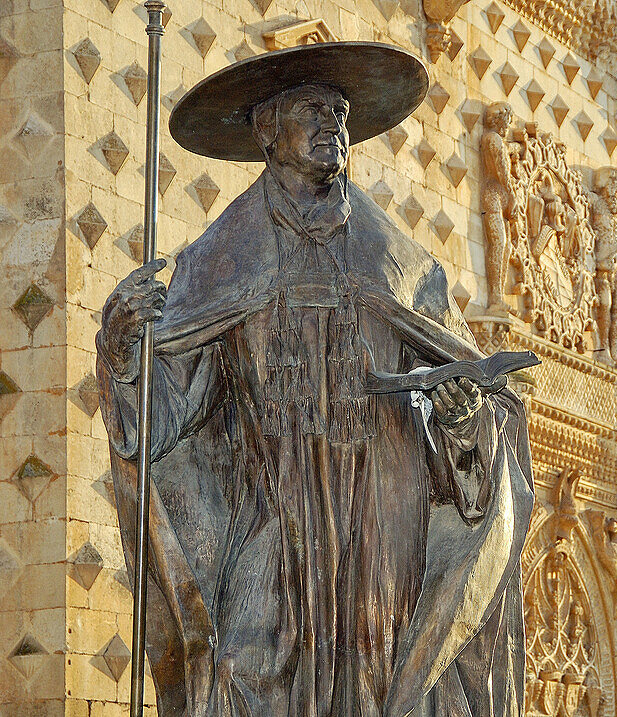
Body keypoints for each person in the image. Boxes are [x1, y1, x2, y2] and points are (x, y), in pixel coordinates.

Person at [97, 42, 533, 717]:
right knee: (240, 668)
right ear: (268, 129)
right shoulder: (219, 260)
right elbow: (165, 413)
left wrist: (461, 421)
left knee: (382, 682)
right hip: (272, 517)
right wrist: (125, 348)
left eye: (341, 112)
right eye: (314, 110)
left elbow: (474, 395)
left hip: (381, 528)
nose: (334, 123)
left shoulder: (396, 260)